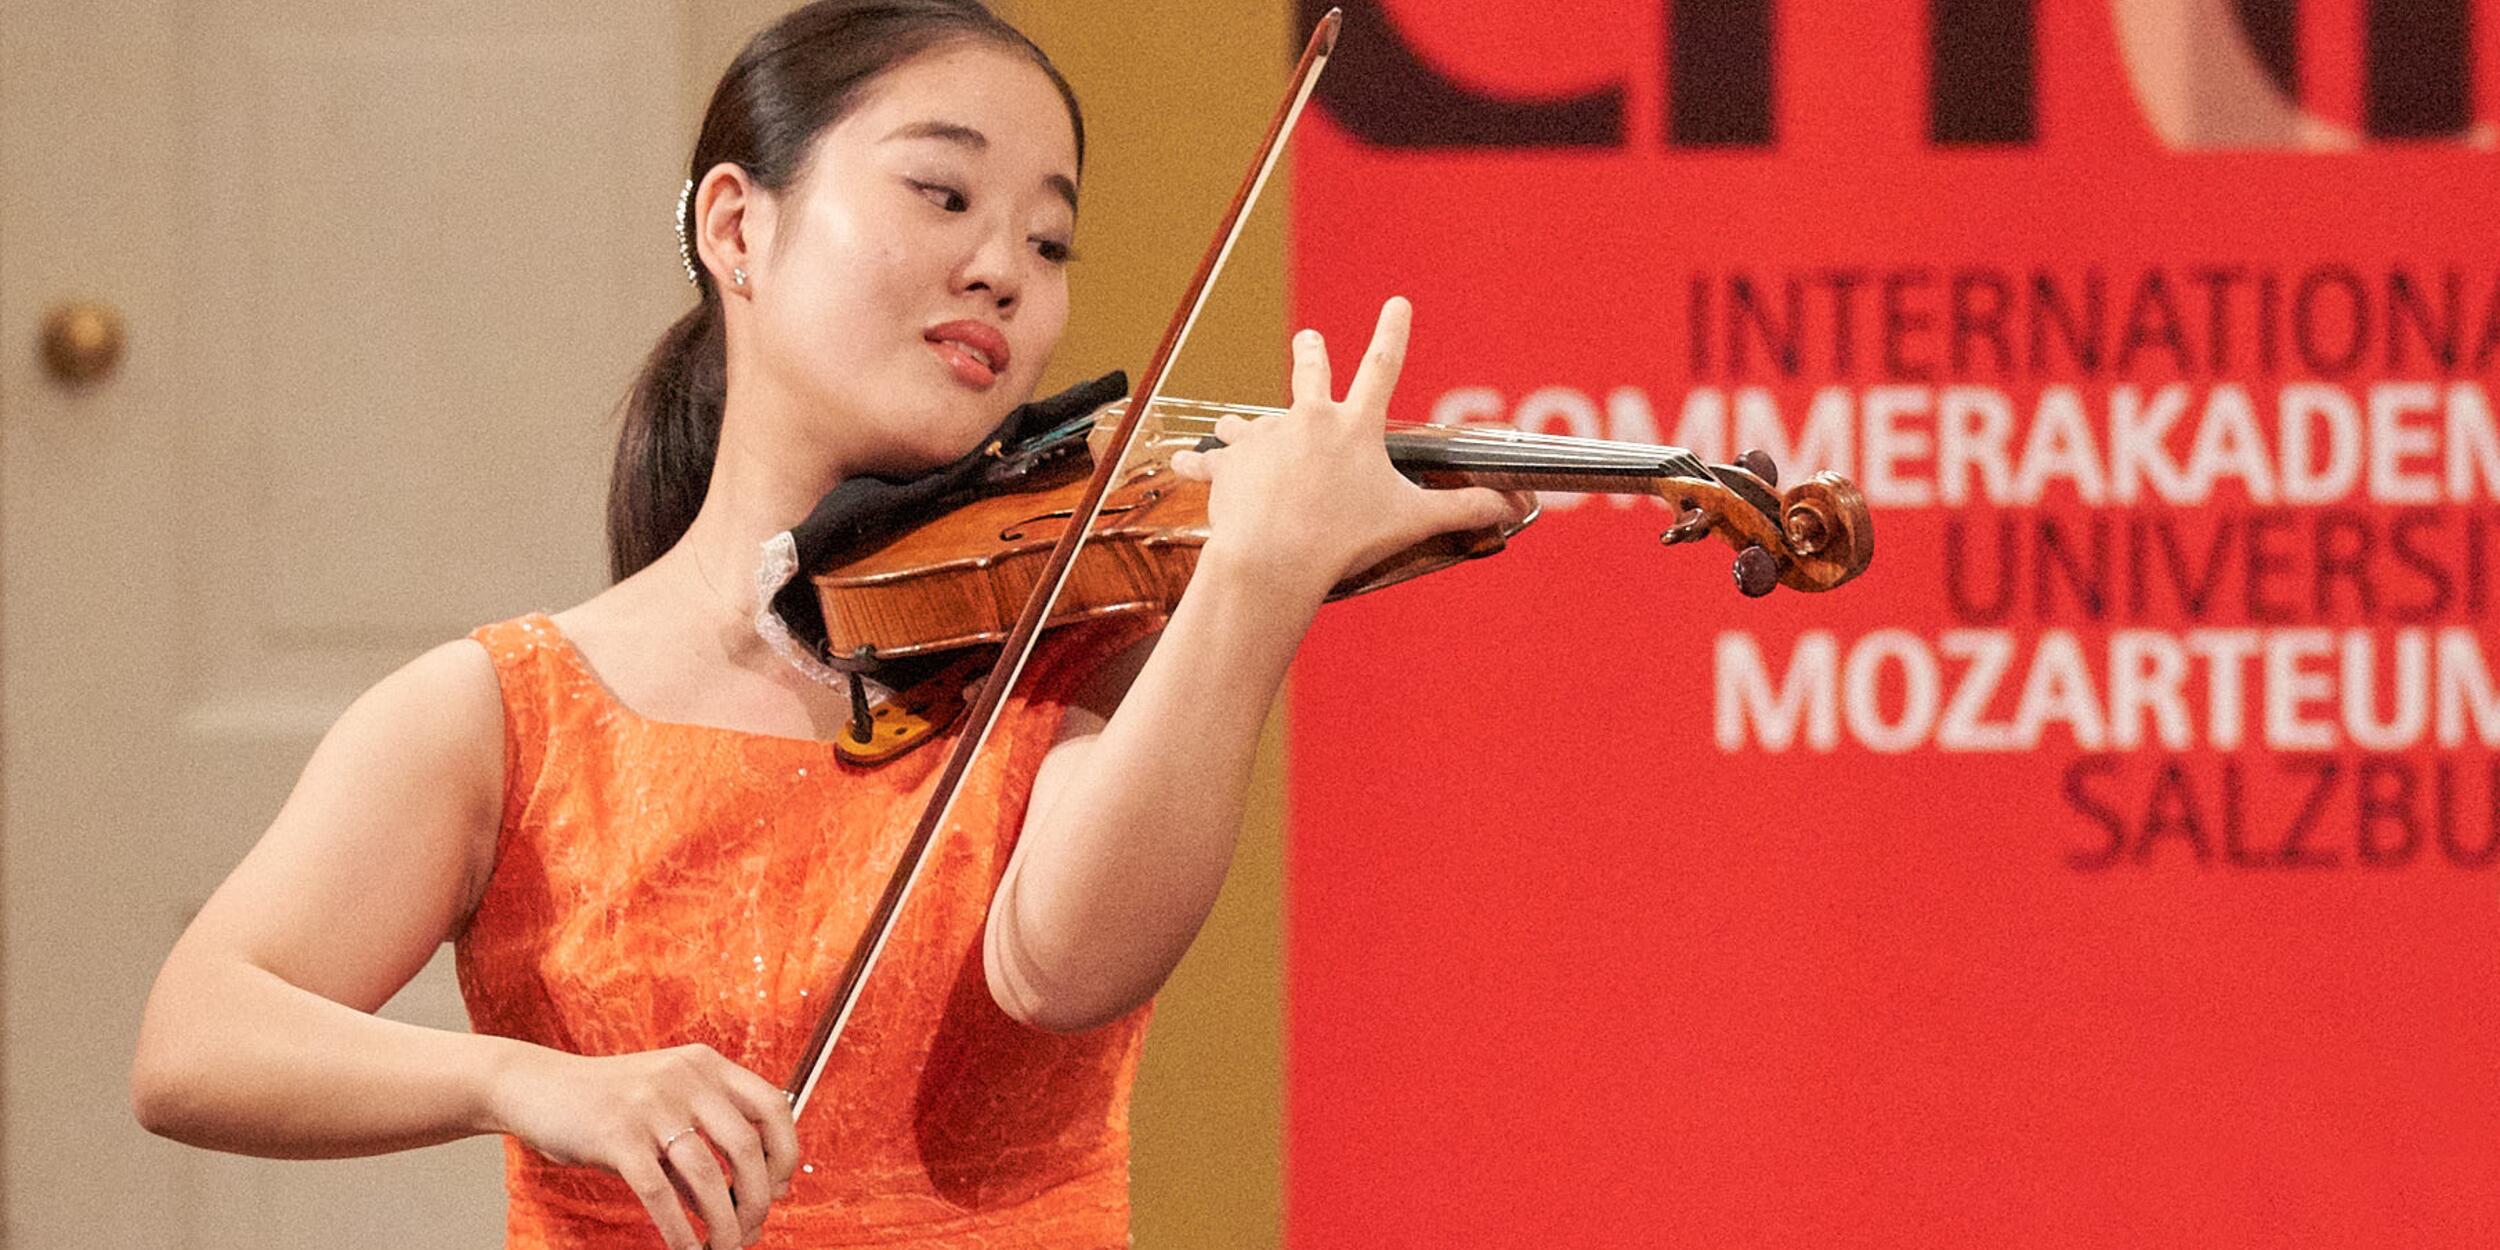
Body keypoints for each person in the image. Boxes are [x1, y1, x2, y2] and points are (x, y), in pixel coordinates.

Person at [128, 2, 1519, 1247]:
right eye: (940, 190)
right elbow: (194, 1037)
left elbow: (1066, 963)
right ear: (738, 227)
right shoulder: (505, 713)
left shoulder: (1066, 644)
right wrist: (529, 1082)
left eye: (1048, 237)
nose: (1003, 271)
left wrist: (1252, 589)